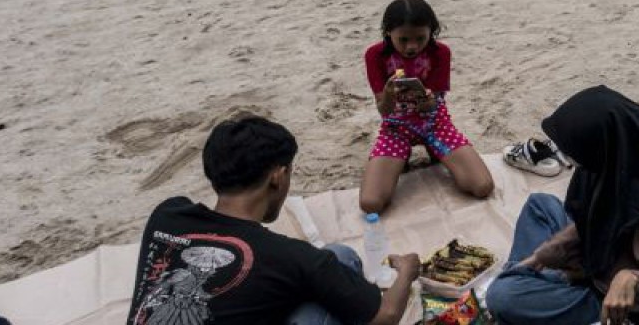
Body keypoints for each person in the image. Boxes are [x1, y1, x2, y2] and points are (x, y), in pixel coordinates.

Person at [125, 116, 419, 325]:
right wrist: (406, 272)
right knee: (334, 273)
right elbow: (386, 316)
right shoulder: (291, 257)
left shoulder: (167, 215)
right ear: (277, 177)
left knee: (338, 257)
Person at [485, 86, 639, 325]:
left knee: (502, 297)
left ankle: (526, 286)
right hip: (598, 259)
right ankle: (529, 280)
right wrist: (547, 254)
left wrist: (632, 278)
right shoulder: (605, 170)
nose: (565, 157)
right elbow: (589, 219)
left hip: (609, 296)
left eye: (571, 150)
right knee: (539, 205)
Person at [359, 0, 493, 214]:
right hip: (396, 129)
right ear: (388, 33)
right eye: (403, 40)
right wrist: (389, 95)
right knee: (371, 203)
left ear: (432, 31)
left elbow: (435, 104)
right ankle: (407, 155)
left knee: (482, 186)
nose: (412, 46)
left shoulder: (440, 52)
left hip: (435, 124)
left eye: (420, 38)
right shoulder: (375, 55)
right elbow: (383, 110)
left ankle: (433, 148)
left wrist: (428, 102)